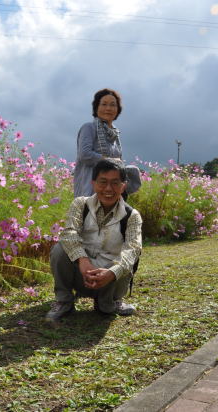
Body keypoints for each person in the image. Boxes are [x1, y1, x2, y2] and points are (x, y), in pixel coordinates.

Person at [46, 159, 142, 322]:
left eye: (115, 183)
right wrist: (83, 261)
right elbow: (69, 233)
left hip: (111, 280)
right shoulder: (80, 204)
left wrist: (111, 273)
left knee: (126, 261)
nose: (108, 189)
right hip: (81, 275)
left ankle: (109, 303)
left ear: (123, 185)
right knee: (60, 249)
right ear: (93, 183)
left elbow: (133, 249)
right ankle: (64, 301)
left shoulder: (132, 216)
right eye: (103, 182)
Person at [73, 88, 140, 198]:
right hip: (90, 191)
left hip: (113, 193)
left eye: (113, 105)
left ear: (118, 109)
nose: (108, 108)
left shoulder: (115, 133)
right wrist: (110, 161)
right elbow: (85, 155)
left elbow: (118, 162)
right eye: (104, 104)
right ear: (96, 107)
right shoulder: (89, 128)